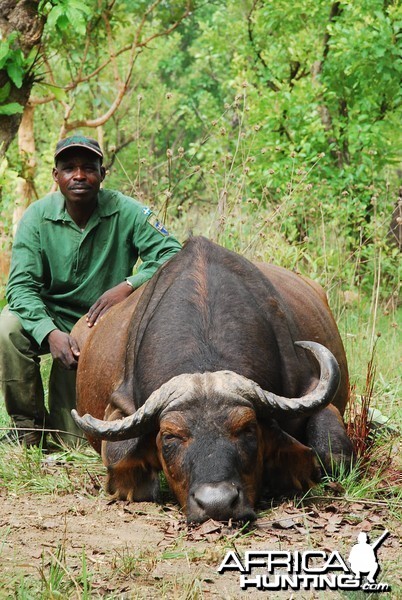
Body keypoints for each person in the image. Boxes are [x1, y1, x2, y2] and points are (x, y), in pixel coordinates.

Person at [0, 135, 182, 447]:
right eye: (69, 168)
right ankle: (27, 428)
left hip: (102, 320)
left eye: (89, 167)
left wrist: (128, 286)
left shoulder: (128, 211)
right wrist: (48, 332)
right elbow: (20, 287)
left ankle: (62, 433)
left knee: (72, 444)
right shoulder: (36, 217)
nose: (80, 175)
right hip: (50, 313)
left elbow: (174, 256)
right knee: (7, 329)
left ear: (102, 173)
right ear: (56, 176)